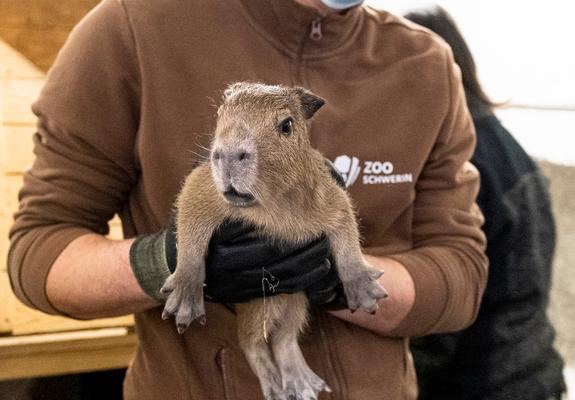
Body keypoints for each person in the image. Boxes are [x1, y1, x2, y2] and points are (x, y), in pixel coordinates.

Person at [7, 0, 488, 398]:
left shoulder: (425, 65)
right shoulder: (134, 28)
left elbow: (460, 273)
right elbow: (39, 253)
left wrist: (335, 275)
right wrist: (168, 262)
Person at [404, 6, 567, 400]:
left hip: (483, 382)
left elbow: (449, 312)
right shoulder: (508, 146)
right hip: (533, 372)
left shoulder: (459, 162)